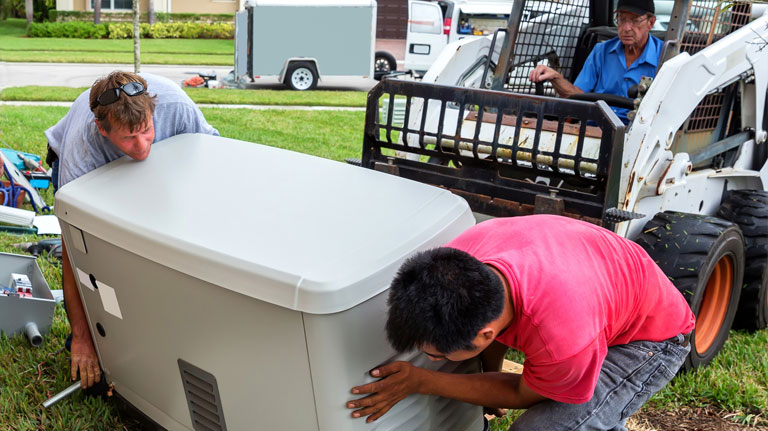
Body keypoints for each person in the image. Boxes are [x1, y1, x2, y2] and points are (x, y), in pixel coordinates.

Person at [347, 215, 695, 431]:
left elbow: (521, 393)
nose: (429, 358)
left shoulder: (562, 338)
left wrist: (422, 380)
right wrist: (487, 376)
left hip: (651, 341)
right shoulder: (458, 262)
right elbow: (497, 330)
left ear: (484, 335)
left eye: (436, 354)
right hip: (603, 291)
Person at [45, 71, 220, 389]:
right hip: (88, 172)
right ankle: (90, 342)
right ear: (102, 129)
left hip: (160, 166)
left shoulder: (177, 107)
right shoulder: (82, 151)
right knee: (101, 255)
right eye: (128, 138)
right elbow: (74, 251)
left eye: (147, 131)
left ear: (154, 113)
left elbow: (211, 165)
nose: (141, 147)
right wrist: (82, 338)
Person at [528, 0, 661, 124]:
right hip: (596, 127)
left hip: (639, 133)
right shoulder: (601, 51)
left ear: (651, 23)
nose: (626, 28)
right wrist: (555, 77)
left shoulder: (665, 57)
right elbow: (577, 97)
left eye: (635, 21)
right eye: (621, 19)